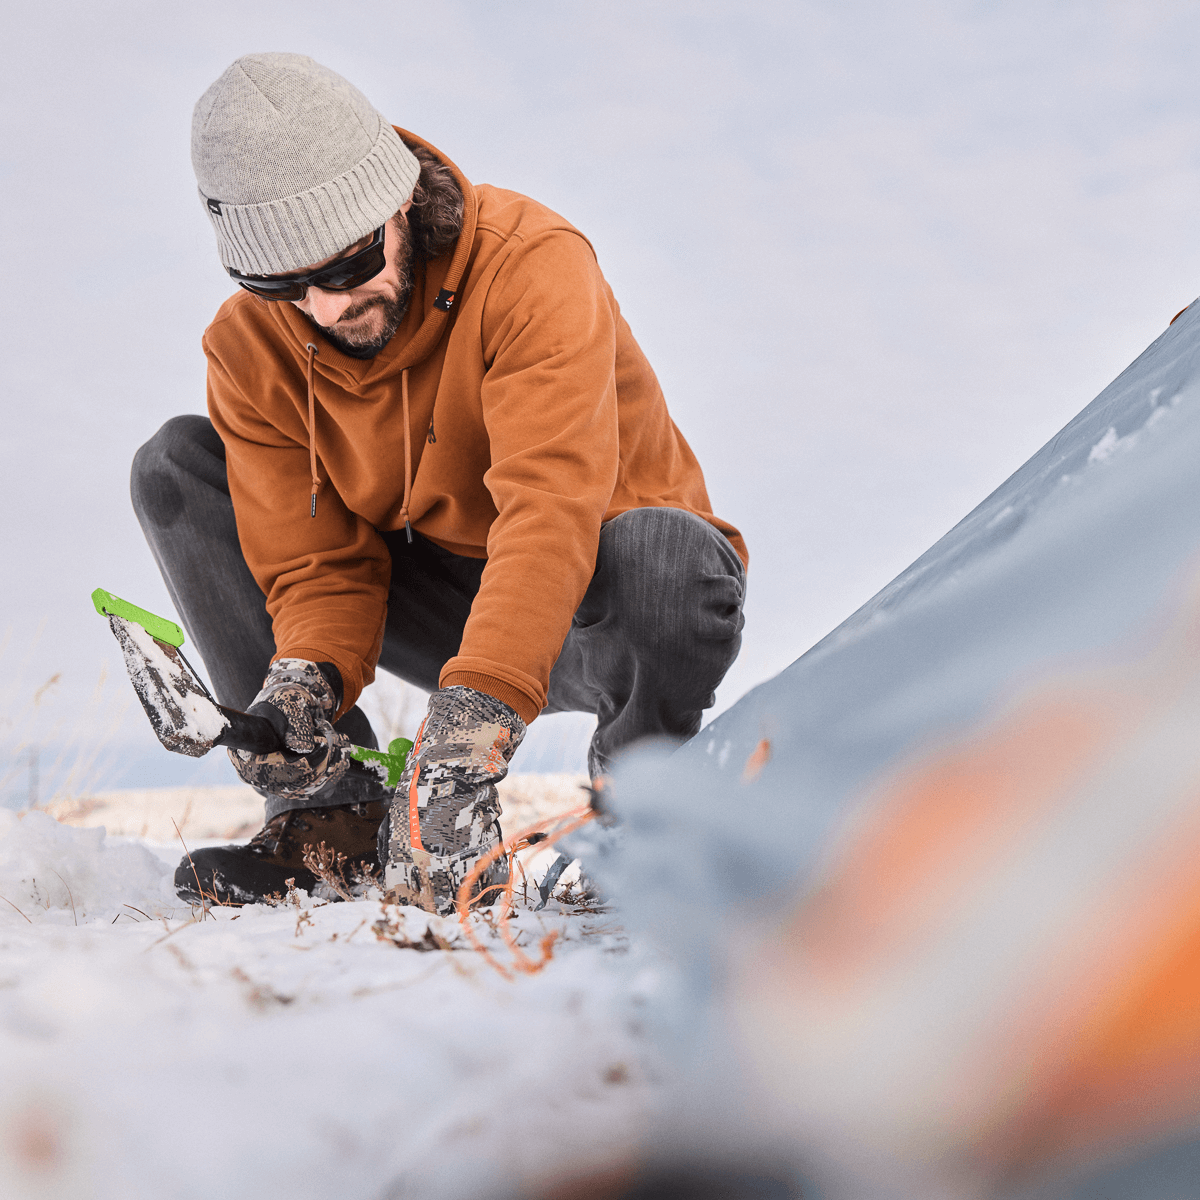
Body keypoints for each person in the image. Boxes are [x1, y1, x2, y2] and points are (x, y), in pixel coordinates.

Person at [131, 53, 748, 913]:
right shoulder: (248, 348)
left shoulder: (532, 264)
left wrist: (463, 741)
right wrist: (305, 682)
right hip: (436, 597)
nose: (323, 309)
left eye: (346, 268)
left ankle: (638, 807)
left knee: (666, 553)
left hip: (597, 595)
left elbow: (548, 510)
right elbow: (318, 562)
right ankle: (329, 816)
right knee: (175, 466)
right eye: (280, 285)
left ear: (400, 205)